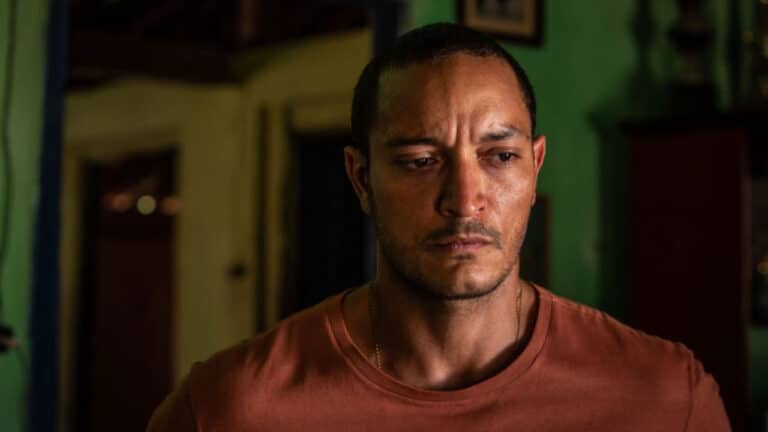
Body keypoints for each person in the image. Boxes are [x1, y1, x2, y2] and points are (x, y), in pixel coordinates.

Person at [147, 23, 730, 431]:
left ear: (534, 169)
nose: (465, 199)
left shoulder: (664, 398)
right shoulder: (230, 410)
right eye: (421, 161)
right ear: (361, 179)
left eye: (500, 156)